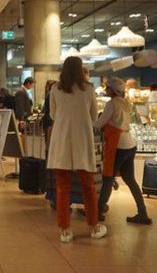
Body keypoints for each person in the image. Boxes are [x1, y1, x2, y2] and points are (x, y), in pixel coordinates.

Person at [47, 56, 107, 243]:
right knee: (88, 185)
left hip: (61, 139)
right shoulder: (88, 89)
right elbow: (94, 116)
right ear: (81, 69)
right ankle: (94, 226)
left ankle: (65, 230)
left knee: (62, 187)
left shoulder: (55, 89)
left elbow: (53, 114)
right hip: (83, 138)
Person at [95, 77, 152, 225]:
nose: (106, 89)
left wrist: (90, 122)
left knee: (108, 177)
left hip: (117, 144)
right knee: (130, 180)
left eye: (107, 88)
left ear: (112, 90)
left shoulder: (112, 104)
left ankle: (99, 210)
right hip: (129, 143)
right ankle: (142, 213)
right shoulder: (126, 103)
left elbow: (101, 123)